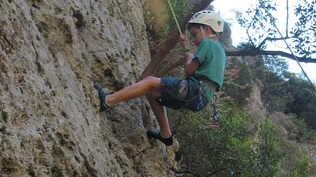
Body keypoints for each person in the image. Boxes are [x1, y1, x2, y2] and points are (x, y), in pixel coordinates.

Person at [94, 10, 226, 146]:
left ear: (207, 29)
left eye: (194, 34)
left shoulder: (207, 44)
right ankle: (166, 135)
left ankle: (108, 101)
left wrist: (187, 54)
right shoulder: (220, 51)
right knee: (151, 93)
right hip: (201, 99)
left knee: (149, 81)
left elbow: (189, 70)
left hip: (194, 90)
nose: (194, 39)